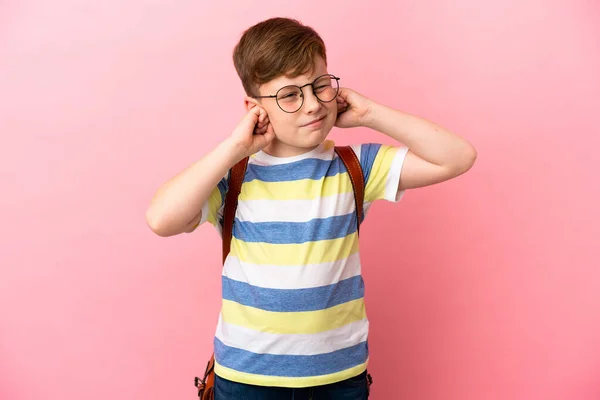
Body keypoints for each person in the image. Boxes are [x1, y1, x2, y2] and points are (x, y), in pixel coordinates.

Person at [146, 17, 477, 400]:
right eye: (289, 95)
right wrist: (235, 148)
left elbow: (457, 158)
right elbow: (160, 219)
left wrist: (371, 114)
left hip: (338, 379)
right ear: (255, 108)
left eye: (320, 85)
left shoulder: (356, 168)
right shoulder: (232, 176)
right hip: (246, 379)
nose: (313, 105)